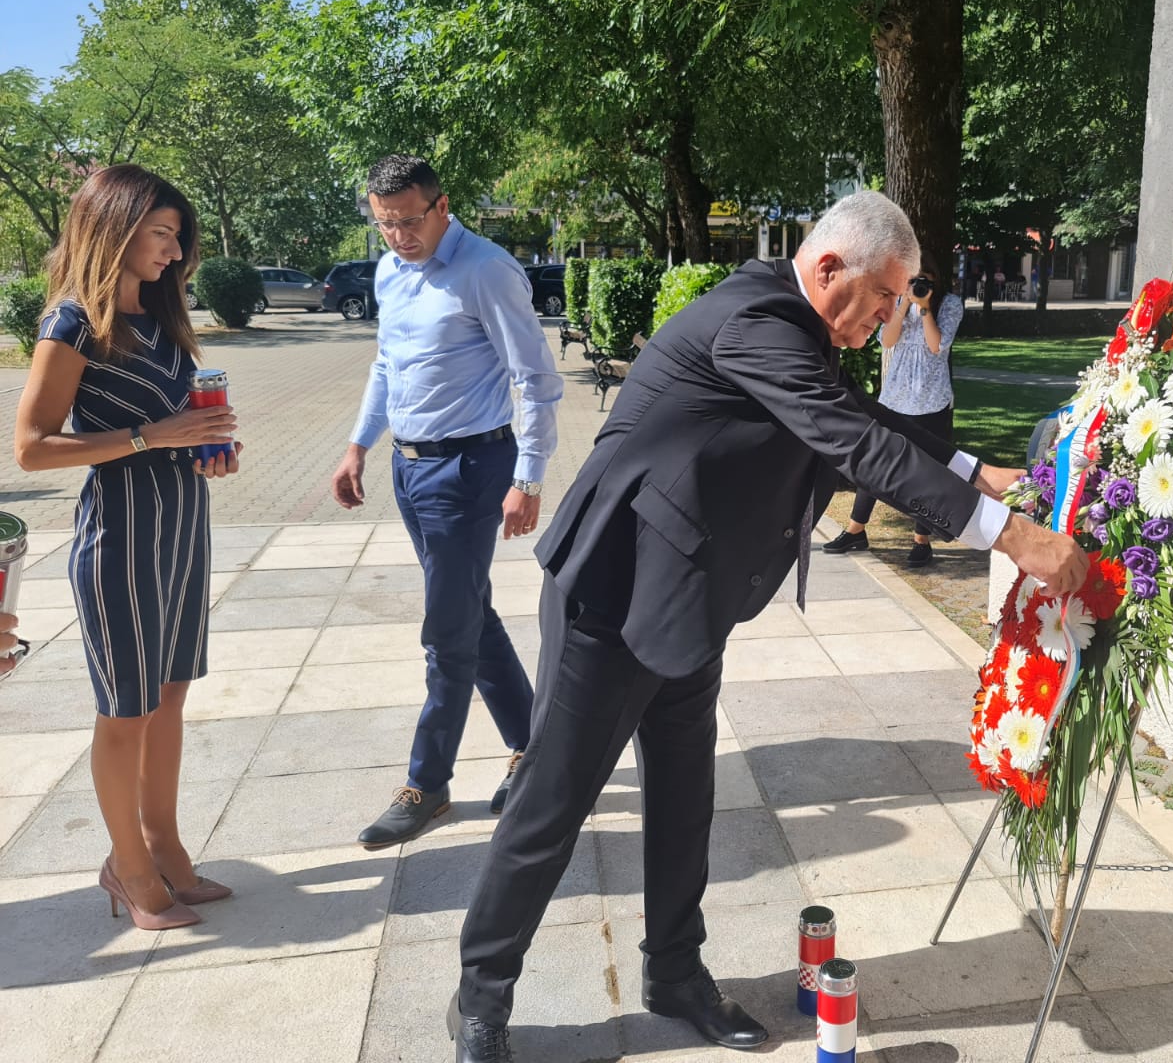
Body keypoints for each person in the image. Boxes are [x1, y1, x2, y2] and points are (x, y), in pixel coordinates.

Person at [445, 191, 1088, 1063]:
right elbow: (851, 439)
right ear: (828, 268)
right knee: (553, 804)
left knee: (685, 800)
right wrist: (1010, 537)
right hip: (612, 594)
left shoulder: (795, 325)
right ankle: (480, 996)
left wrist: (982, 473)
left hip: (687, 591)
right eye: (885, 297)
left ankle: (675, 973)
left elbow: (862, 418)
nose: (891, 319)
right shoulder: (756, 321)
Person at [13, 164, 242, 930]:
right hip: (121, 535)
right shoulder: (74, 323)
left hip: (182, 524)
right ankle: (129, 867)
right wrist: (155, 435)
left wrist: (206, 446)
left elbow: (175, 422)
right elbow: (31, 448)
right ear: (114, 226)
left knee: (171, 694)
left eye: (178, 238)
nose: (174, 253)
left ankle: (166, 847)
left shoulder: (159, 314)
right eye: (162, 234)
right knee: (126, 709)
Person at [331, 155, 563, 849]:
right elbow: (386, 364)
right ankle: (535, 746)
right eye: (384, 224)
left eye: (409, 221)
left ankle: (427, 783)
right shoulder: (390, 270)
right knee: (469, 614)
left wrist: (528, 478)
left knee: (446, 634)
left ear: (442, 206)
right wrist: (358, 445)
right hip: (409, 469)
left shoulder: (486, 270)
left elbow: (537, 380)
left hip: (469, 469)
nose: (398, 236)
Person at [822, 266, 963, 565]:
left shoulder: (950, 304)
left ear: (936, 281)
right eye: (912, 280)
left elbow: (937, 346)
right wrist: (905, 304)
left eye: (924, 280)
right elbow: (886, 341)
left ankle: (921, 541)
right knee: (875, 460)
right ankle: (856, 530)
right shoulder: (898, 300)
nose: (917, 285)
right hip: (895, 397)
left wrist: (925, 309)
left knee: (928, 470)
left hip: (931, 400)